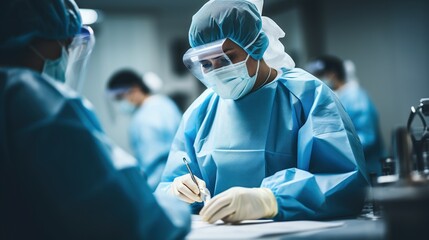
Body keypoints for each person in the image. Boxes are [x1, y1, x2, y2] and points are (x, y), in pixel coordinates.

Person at [156, 0, 368, 224]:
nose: (217, 71)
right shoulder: (201, 111)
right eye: (206, 64)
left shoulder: (307, 96)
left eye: (226, 58)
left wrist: (271, 200)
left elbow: (345, 182)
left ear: (255, 47)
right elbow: (167, 186)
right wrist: (177, 191)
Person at [0, 0, 190, 239]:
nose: (65, 52)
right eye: (65, 44)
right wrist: (172, 206)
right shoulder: (34, 101)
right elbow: (132, 222)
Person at [306, 55, 385, 176]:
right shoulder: (337, 96)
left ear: (332, 74)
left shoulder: (354, 97)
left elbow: (368, 138)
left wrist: (336, 151)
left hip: (369, 169)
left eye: (317, 75)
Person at [107, 69, 182, 190]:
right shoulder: (165, 103)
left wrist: (149, 191)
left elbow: (155, 164)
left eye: (120, 97)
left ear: (135, 89)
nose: (119, 103)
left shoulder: (145, 118)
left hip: (165, 186)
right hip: (179, 180)